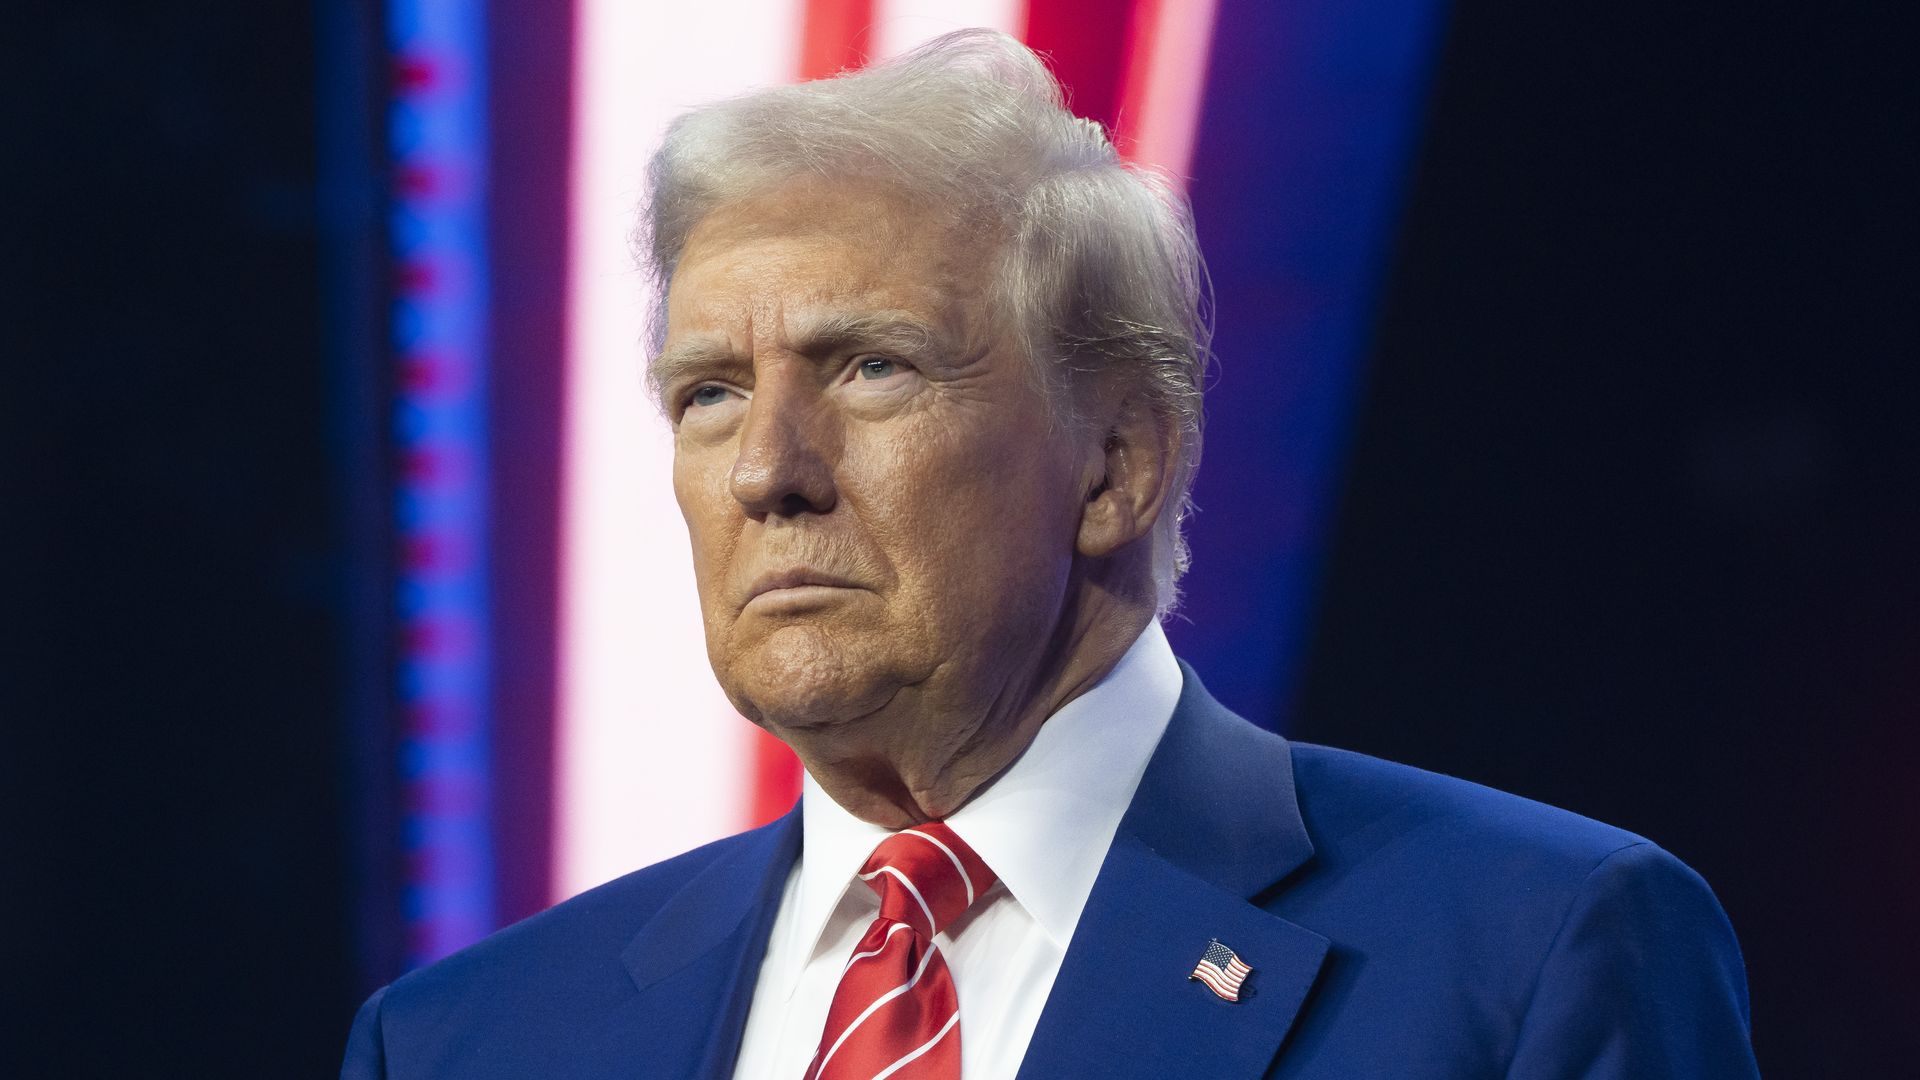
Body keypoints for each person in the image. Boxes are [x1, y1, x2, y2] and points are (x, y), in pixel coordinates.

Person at [341, 29, 1758, 1080]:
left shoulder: (1529, 955)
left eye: (873, 367)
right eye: (709, 391)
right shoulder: (470, 1041)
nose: (768, 469)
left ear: (1117, 464)